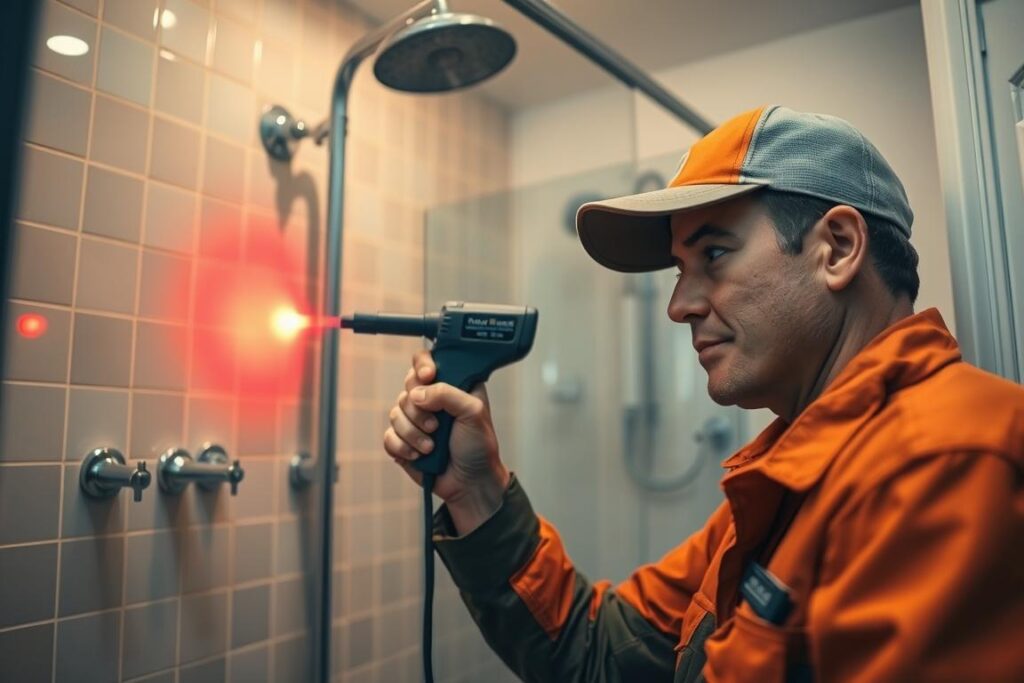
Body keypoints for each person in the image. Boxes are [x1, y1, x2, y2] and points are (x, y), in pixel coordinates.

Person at [382, 106, 1024, 682]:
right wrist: (477, 490)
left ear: (837, 248)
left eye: (713, 254)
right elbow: (600, 653)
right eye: (680, 270)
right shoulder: (786, 485)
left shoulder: (947, 460)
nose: (678, 306)